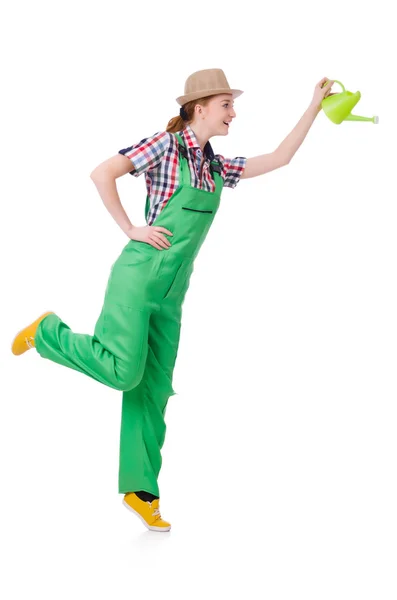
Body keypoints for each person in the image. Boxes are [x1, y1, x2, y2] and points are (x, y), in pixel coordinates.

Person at [11, 68, 335, 532]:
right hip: (138, 277)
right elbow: (102, 173)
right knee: (125, 371)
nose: (233, 113)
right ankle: (47, 333)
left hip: (172, 292)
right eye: (226, 105)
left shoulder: (216, 166)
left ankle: (141, 491)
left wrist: (314, 108)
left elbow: (280, 158)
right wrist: (132, 229)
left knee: (153, 388)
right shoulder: (165, 146)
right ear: (199, 108)